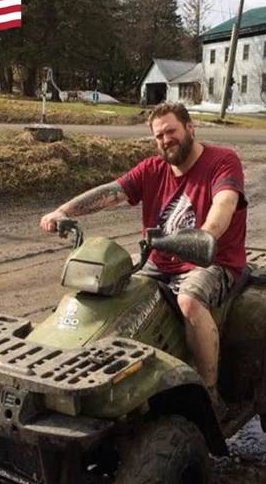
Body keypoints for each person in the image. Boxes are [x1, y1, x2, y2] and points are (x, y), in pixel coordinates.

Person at [40, 101, 247, 415]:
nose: (165, 140)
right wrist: (63, 211)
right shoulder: (152, 169)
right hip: (158, 262)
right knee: (110, 295)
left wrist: (204, 237)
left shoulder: (222, 161)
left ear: (190, 128)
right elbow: (112, 192)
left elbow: (224, 204)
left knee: (189, 300)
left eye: (171, 131)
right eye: (159, 135)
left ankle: (209, 392)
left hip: (210, 261)